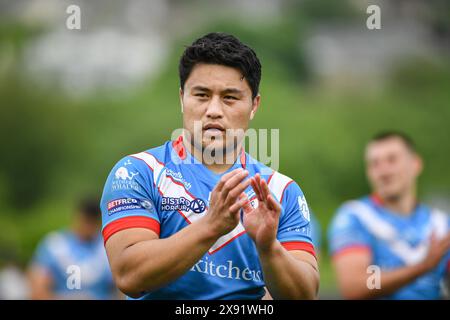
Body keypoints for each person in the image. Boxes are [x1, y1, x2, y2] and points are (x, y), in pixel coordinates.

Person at [100, 32, 319, 300]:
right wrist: (211, 225)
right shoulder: (137, 172)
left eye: (230, 98)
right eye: (202, 95)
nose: (214, 110)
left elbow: (305, 295)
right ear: (182, 98)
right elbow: (129, 276)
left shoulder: (281, 191)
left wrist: (268, 247)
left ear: (254, 105)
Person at [328, 131, 450, 299]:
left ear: (415, 164)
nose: (383, 171)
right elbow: (354, 287)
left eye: (392, 160)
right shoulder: (355, 217)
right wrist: (422, 267)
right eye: (374, 164)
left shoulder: (441, 224)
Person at [28, 198, 118, 299]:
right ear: (77, 217)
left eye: (94, 221)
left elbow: (122, 288)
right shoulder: (54, 245)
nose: (89, 226)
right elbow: (38, 289)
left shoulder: (107, 247)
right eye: (87, 220)